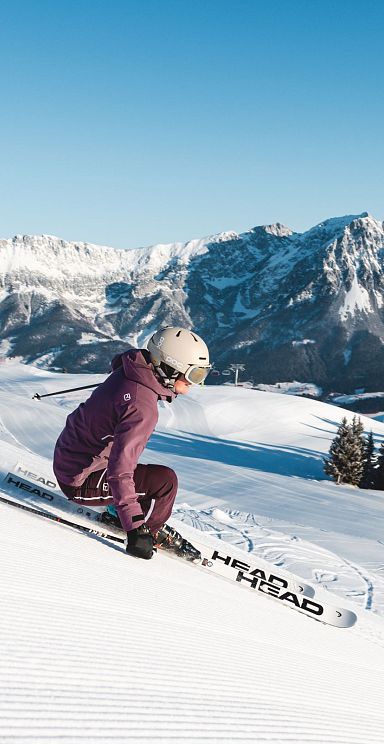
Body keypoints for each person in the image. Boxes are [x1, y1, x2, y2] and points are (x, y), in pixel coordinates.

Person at [53, 326, 211, 560]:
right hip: (79, 480)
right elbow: (120, 471)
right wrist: (135, 529)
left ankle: (121, 512)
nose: (195, 384)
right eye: (194, 375)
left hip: (72, 458)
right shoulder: (141, 407)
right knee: (165, 483)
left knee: (151, 478)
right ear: (169, 367)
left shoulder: (131, 371)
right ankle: (148, 532)